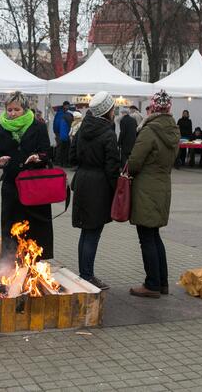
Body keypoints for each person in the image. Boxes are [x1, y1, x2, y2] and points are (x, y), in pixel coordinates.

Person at [127, 90, 180, 298]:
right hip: (163, 187)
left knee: (146, 238)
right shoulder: (173, 130)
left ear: (154, 108)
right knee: (155, 236)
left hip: (146, 190)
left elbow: (135, 161)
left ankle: (152, 284)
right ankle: (162, 282)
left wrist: (127, 170)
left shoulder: (150, 131)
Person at [0, 91, 53, 259]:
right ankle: (11, 264)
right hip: (12, 186)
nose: (12, 114)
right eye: (9, 110)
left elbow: (47, 152)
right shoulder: (1, 129)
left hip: (34, 185)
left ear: (24, 109)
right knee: (11, 227)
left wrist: (38, 158)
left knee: (35, 228)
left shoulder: (38, 126)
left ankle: (33, 262)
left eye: (16, 110)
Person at [69, 92, 120, 290]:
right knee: (93, 233)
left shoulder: (82, 128)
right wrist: (117, 191)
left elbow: (72, 157)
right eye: (112, 108)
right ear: (107, 111)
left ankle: (84, 273)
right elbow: (112, 166)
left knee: (86, 231)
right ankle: (87, 275)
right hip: (98, 185)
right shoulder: (108, 133)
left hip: (81, 181)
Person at [53, 101, 73, 167]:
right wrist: (57, 132)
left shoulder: (63, 112)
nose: (68, 107)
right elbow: (57, 123)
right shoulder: (61, 113)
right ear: (64, 106)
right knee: (60, 147)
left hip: (62, 132)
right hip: (60, 132)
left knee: (62, 147)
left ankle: (60, 161)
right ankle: (58, 161)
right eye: (67, 106)